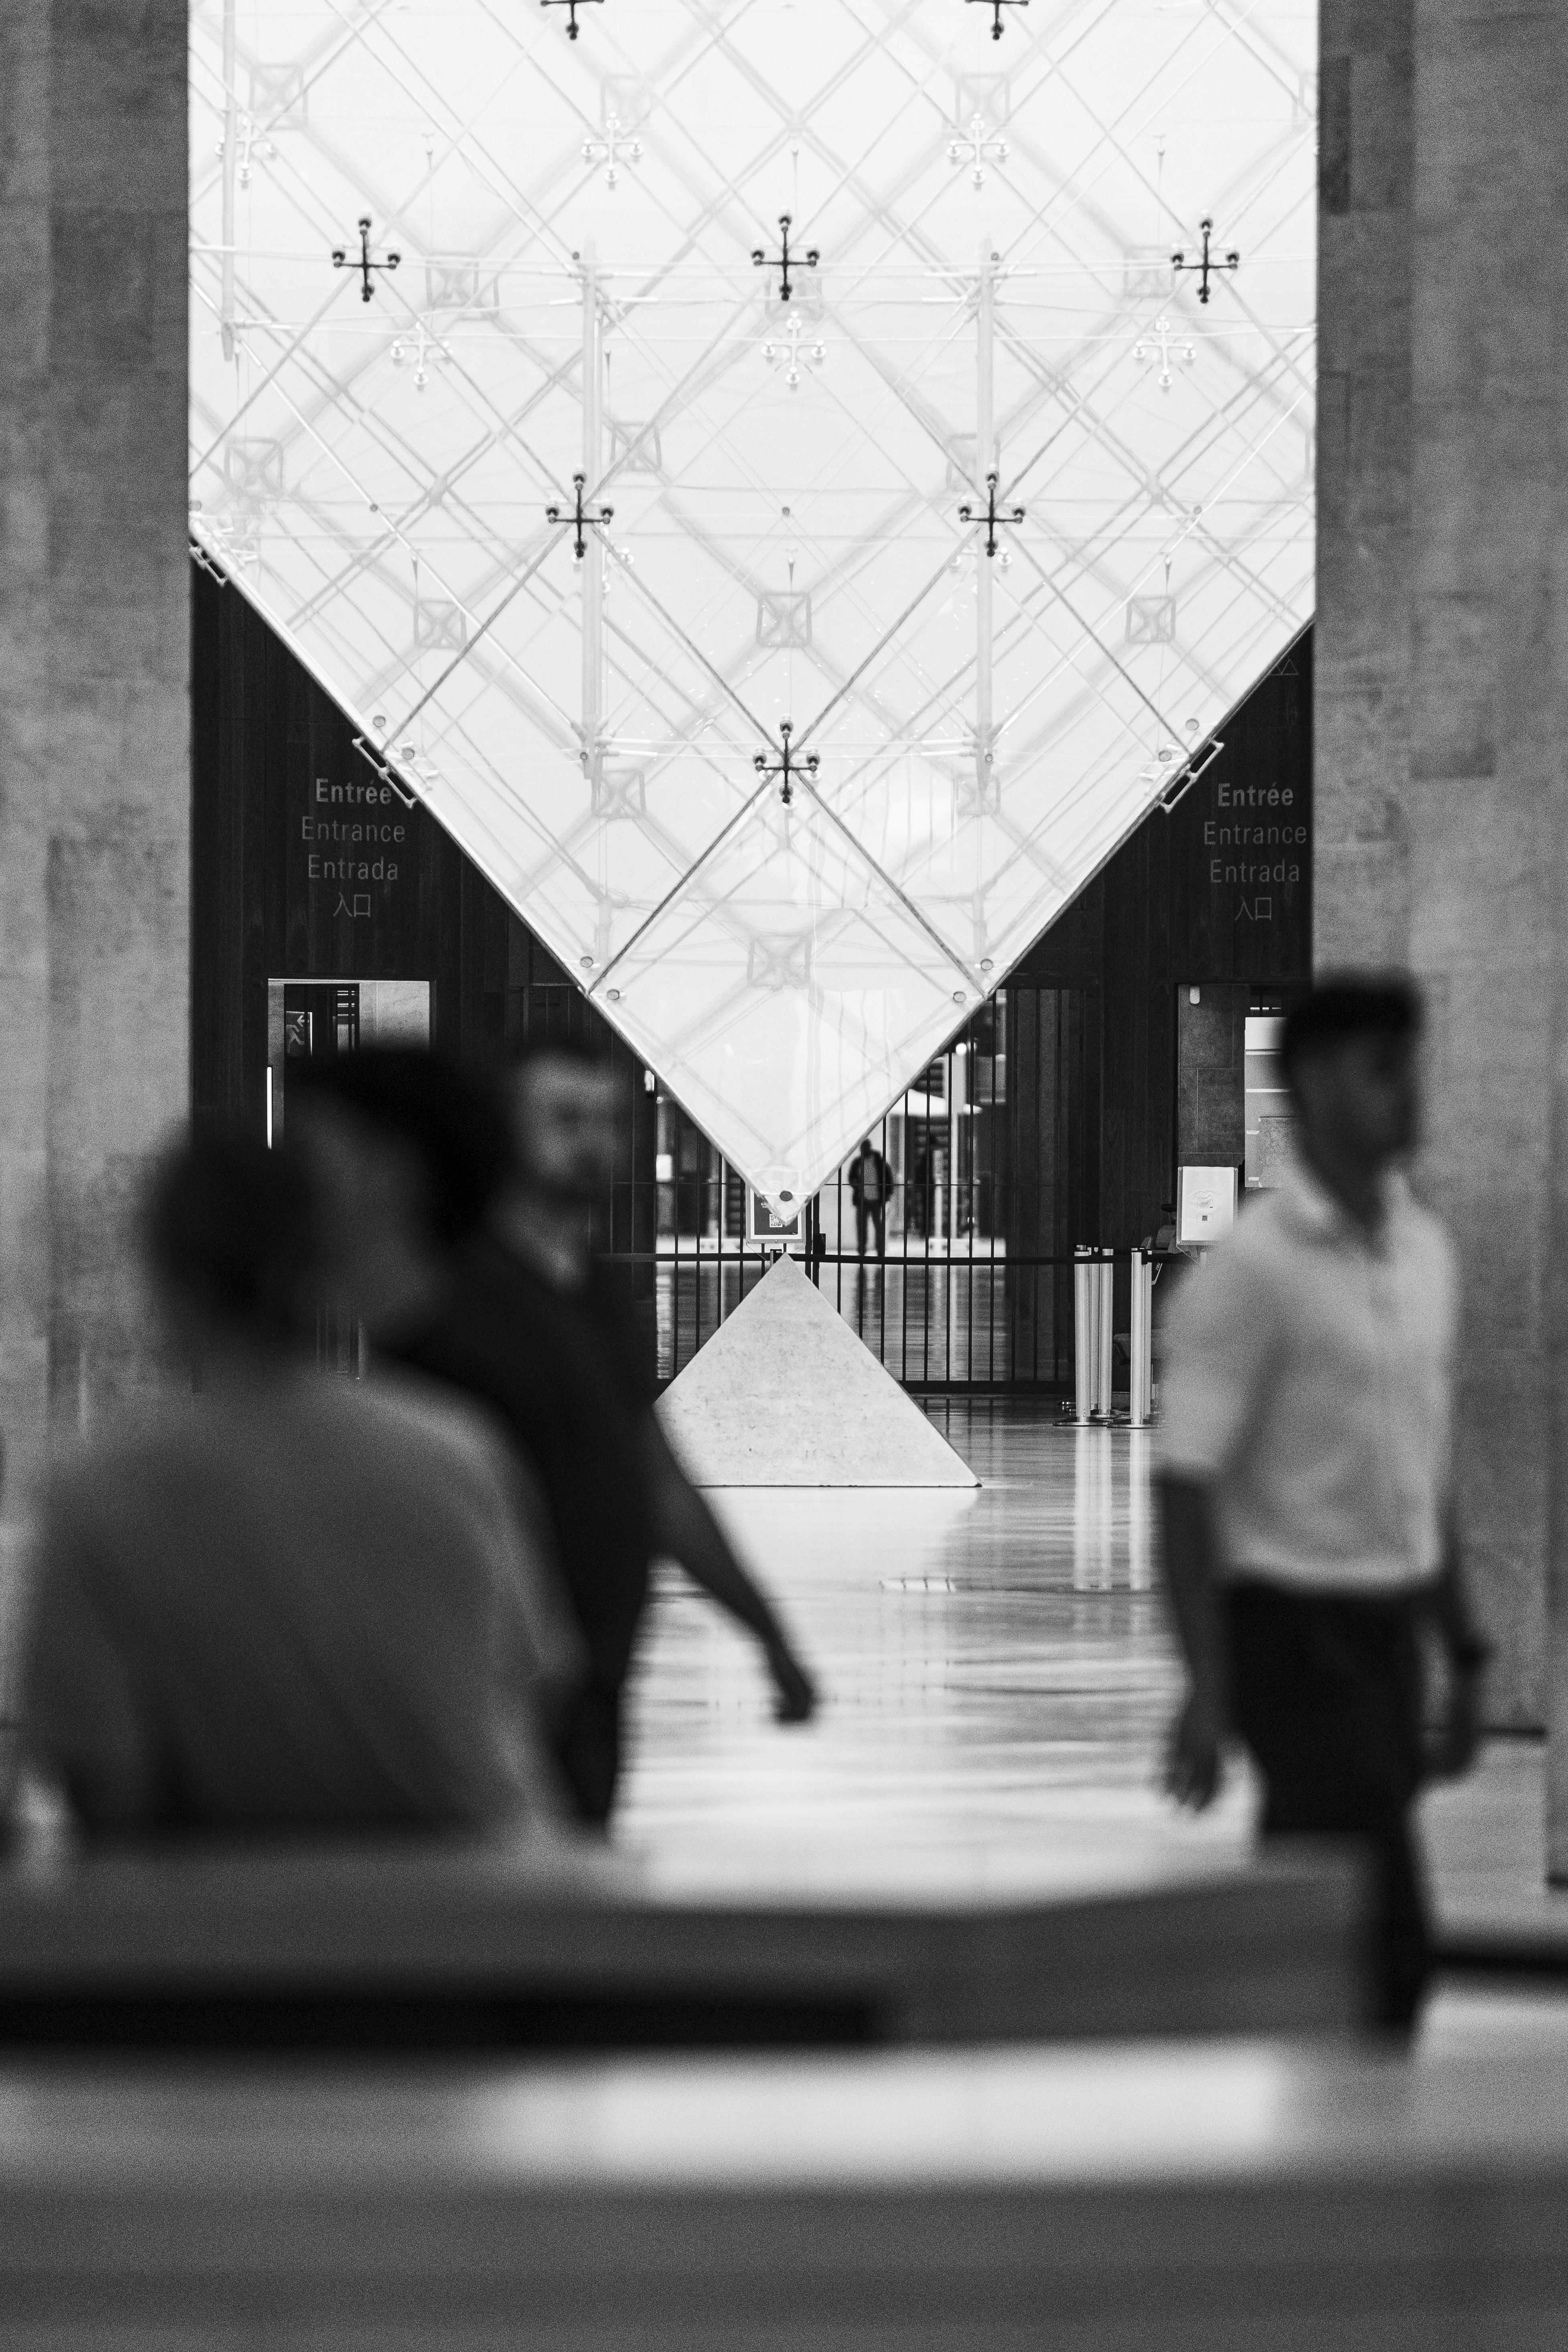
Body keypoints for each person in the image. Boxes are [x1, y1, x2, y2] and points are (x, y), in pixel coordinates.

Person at [293, 1042, 818, 1828]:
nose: (593, 1144)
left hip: (595, 1687)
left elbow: (653, 1476)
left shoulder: (597, 1288)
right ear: (505, 1134)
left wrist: (764, 1629)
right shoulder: (452, 1297)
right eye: (566, 1120)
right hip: (500, 1692)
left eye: (610, 1122)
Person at [22, 1129, 578, 1841]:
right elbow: (535, 1683)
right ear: (323, 1271)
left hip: (243, 1922)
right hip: (481, 1901)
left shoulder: (100, 1491)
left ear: (169, 1277)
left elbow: (105, 1782)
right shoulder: (456, 1451)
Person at [1157, 976, 1488, 2033]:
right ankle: (1347, 2141)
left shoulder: (1424, 1248)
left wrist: (1463, 1645)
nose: (1406, 1091)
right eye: (1377, 1067)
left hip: (1386, 1629)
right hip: (1289, 1632)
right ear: (1308, 1084)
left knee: (1330, 1894)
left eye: (1410, 1064)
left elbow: (1422, 1464)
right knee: (1373, 1909)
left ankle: (1326, 2119)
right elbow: (1182, 1479)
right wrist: (1207, 1684)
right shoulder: (1251, 1270)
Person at [848, 1136, 891, 1260]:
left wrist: (887, 1195)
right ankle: (863, 1250)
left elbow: (888, 1179)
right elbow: (851, 1179)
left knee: (877, 1227)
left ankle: (878, 1250)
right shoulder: (860, 1162)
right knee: (865, 1227)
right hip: (864, 1199)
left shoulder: (878, 1163)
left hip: (877, 1200)